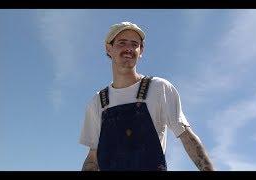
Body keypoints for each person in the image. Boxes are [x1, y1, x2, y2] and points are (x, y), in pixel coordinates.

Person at [79, 21, 215, 171]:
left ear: (141, 50)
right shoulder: (98, 102)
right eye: (122, 43)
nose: (129, 49)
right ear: (108, 48)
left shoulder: (159, 88)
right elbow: (93, 158)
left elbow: (187, 137)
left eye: (134, 44)